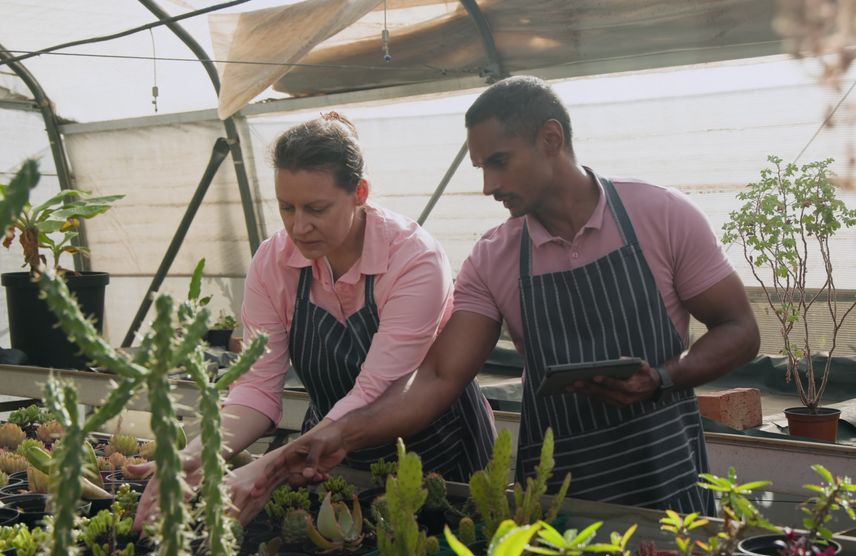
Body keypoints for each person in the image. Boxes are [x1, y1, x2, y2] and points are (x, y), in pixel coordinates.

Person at [235, 76, 760, 520]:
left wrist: (664, 377)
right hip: (555, 489)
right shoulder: (495, 257)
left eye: (500, 163)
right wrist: (342, 435)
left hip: (665, 471)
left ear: (551, 139)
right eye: (481, 167)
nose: (488, 185)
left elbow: (740, 331)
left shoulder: (661, 216)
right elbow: (438, 377)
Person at [133, 113, 495, 528]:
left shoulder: (413, 260)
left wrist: (271, 465)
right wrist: (195, 454)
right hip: (327, 453)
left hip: (437, 455)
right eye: (286, 207)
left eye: (316, 208)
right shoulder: (274, 262)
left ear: (360, 192)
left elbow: (375, 391)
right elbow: (256, 386)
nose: (298, 227)